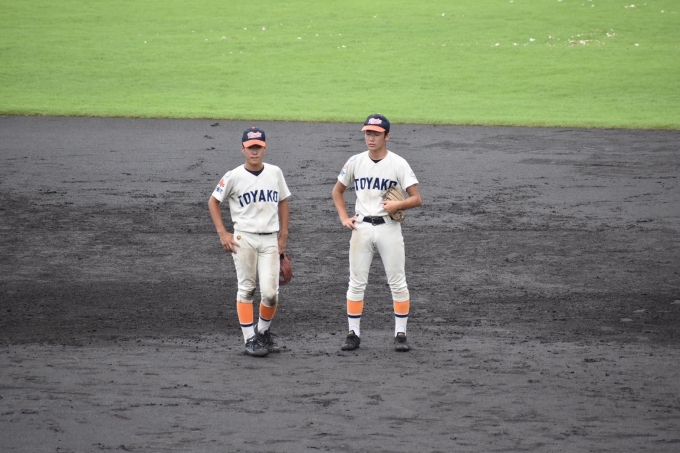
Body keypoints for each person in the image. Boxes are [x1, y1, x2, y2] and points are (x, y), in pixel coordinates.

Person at [332, 114, 422, 352]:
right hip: (361, 228)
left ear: (387, 136)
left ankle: (400, 334)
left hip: (389, 228)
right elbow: (337, 192)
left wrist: (398, 205)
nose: (371, 138)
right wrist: (344, 217)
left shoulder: (398, 163)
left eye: (376, 134)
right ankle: (353, 333)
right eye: (368, 133)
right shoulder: (355, 161)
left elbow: (416, 198)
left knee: (398, 282)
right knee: (356, 283)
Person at [209, 127, 291, 357]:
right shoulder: (233, 176)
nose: (254, 151)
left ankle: (263, 332)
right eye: (250, 147)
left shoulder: (275, 172)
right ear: (242, 149)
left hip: (270, 239)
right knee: (246, 288)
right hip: (243, 238)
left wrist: (283, 235)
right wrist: (223, 233)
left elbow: (283, 201)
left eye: (258, 147)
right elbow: (213, 202)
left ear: (265, 148)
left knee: (271, 293)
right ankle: (249, 339)